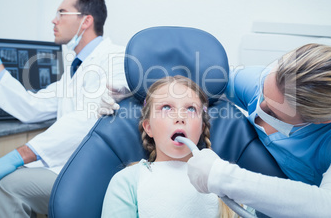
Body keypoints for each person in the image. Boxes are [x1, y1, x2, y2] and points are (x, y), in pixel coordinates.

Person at [0, 0, 128, 217]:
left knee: (5, 187)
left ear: (86, 21)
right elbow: (33, 106)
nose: (54, 20)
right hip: (62, 163)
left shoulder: (115, 58)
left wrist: (18, 155)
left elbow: (89, 119)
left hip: (88, 171)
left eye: (61, 13)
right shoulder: (75, 69)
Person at [187, 43, 331, 217]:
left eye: (271, 112)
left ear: (319, 121)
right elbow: (197, 86)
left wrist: (221, 176)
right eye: (264, 92)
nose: (259, 107)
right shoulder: (260, 82)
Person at [101, 76, 237, 218]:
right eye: (166, 107)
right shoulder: (127, 182)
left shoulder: (225, 180)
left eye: (191, 109)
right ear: (148, 128)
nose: (180, 117)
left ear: (201, 128)